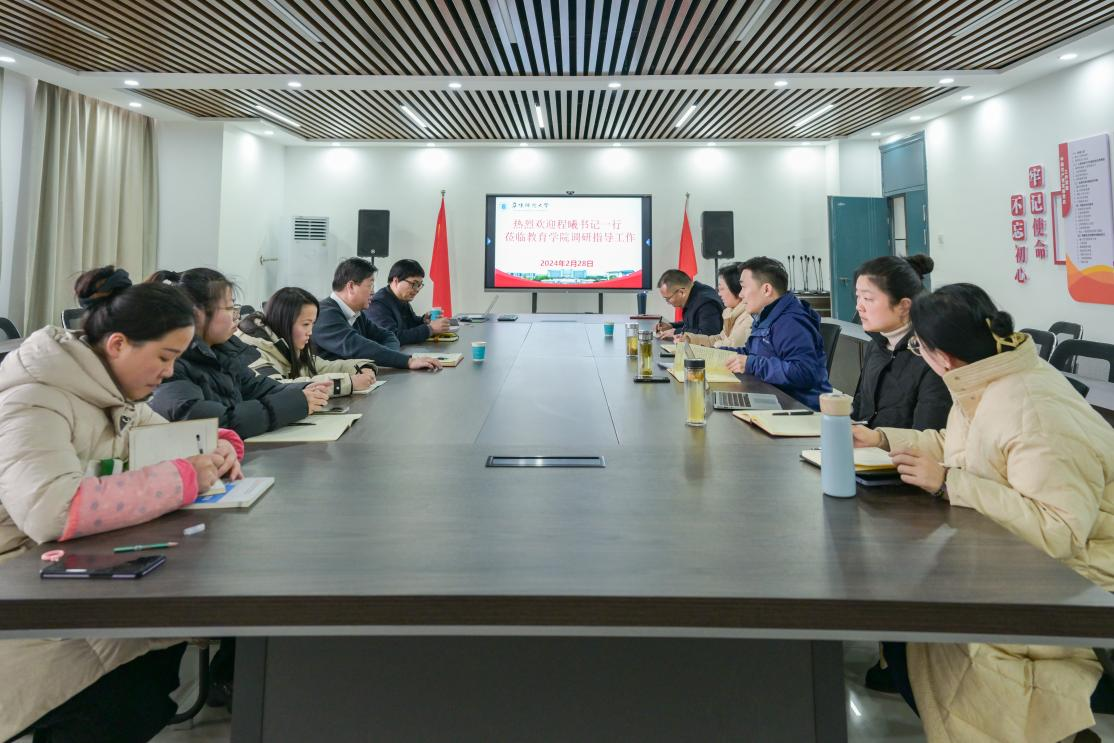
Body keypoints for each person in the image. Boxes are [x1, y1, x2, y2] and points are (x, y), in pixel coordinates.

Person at [852, 283, 1114, 743]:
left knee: (934, 628)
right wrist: (883, 439)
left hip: (1083, 575)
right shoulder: (986, 379)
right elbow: (963, 447)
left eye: (918, 347)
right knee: (911, 618)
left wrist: (949, 483)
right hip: (1029, 554)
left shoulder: (1033, 408)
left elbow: (1060, 530)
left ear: (942, 356)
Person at [0, 266, 244, 743]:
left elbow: (170, 442)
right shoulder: (33, 400)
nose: (169, 372)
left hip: (61, 570)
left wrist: (218, 447)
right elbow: (51, 509)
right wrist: (184, 477)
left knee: (160, 660)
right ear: (117, 344)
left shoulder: (110, 388)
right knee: (131, 692)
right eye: (165, 357)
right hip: (21, 587)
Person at [148, 268, 331, 438]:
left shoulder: (221, 353)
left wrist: (305, 390)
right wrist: (296, 403)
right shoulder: (171, 364)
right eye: (229, 308)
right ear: (198, 314)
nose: (236, 316)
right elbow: (216, 423)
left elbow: (259, 388)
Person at [721, 257, 832, 409]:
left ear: (766, 289)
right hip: (774, 398)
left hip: (799, 407)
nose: (741, 294)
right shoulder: (768, 315)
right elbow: (752, 353)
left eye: (744, 287)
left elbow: (803, 372)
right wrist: (716, 353)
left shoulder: (791, 322)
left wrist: (751, 364)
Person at [237, 287, 378, 397]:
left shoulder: (288, 345)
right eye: (305, 324)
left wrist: (361, 366)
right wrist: (349, 383)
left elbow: (323, 367)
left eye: (312, 324)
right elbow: (277, 388)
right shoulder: (252, 349)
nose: (310, 332)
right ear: (284, 322)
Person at [313, 258, 442, 371]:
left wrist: (388, 357)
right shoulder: (324, 314)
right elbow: (358, 347)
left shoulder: (357, 314)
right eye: (370, 285)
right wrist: (407, 361)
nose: (373, 292)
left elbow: (389, 336)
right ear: (351, 286)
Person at [365, 259, 452, 345]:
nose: (417, 289)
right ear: (396, 281)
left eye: (419, 285)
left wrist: (424, 321)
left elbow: (409, 324)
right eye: (414, 284)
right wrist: (431, 329)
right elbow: (392, 337)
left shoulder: (401, 298)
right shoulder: (377, 304)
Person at [673, 261, 753, 349]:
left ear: (737, 288)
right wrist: (689, 339)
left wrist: (714, 345)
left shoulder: (747, 318)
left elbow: (730, 348)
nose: (719, 294)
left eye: (722, 289)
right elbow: (719, 338)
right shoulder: (731, 313)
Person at [654, 269, 724, 338]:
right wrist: (672, 326)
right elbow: (693, 324)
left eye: (668, 298)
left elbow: (708, 334)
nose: (667, 302)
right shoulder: (695, 292)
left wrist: (676, 332)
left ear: (681, 292)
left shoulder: (705, 304)